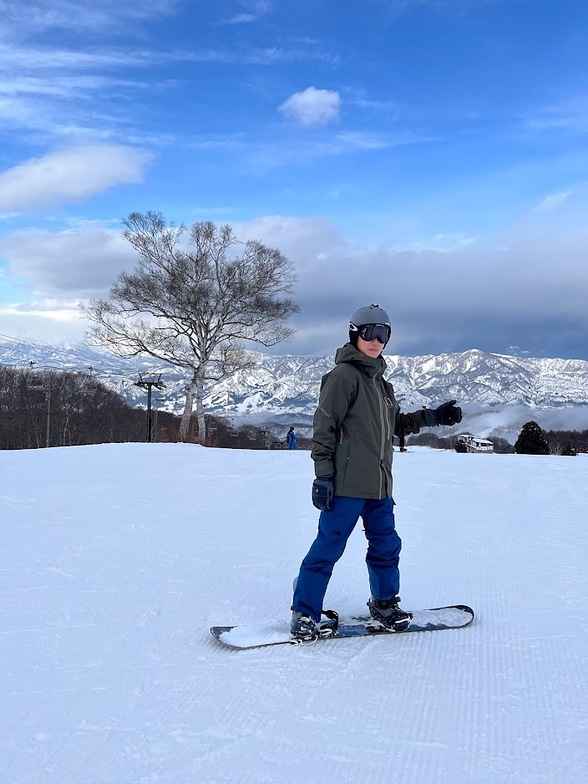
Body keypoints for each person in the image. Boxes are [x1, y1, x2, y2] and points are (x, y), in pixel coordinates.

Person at [290, 304, 462, 642]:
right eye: (369, 333)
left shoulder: (381, 384)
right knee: (328, 548)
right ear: (355, 334)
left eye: (383, 334)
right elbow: (324, 428)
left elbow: (395, 424)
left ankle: (384, 604)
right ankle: (304, 614)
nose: (376, 340)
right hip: (346, 486)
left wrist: (433, 417)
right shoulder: (343, 377)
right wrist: (323, 475)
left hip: (380, 487)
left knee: (386, 546)